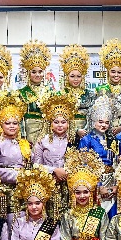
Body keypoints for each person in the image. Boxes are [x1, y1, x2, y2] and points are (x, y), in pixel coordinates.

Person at [60, 149, 110, 240]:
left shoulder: (100, 213)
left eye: (85, 192)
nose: (82, 196)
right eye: (78, 192)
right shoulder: (68, 215)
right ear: (72, 193)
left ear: (92, 192)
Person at [0, 93, 31, 220]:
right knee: (8, 223)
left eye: (15, 123)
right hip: (4, 191)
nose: (12, 126)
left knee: (23, 220)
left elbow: (29, 165)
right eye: (8, 123)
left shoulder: (23, 143)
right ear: (1, 124)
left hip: (23, 189)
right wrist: (17, 175)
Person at [35, 92, 79, 221]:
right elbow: (35, 165)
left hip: (69, 185)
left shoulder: (74, 141)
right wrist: (54, 170)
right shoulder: (42, 141)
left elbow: (78, 162)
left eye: (63, 122)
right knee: (51, 218)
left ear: (68, 123)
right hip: (49, 185)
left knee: (69, 218)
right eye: (56, 122)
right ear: (50, 123)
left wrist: (66, 173)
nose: (60, 125)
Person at [78, 95, 119, 213]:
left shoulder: (112, 139)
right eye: (100, 122)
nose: (103, 125)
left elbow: (116, 163)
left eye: (106, 122)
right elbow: (83, 166)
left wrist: (116, 185)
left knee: (112, 214)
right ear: (93, 121)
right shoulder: (87, 139)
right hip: (96, 181)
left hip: (111, 181)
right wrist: (98, 186)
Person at [18, 40, 55, 146]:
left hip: (48, 131)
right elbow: (20, 119)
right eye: (34, 72)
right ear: (28, 73)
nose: (37, 75)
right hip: (29, 132)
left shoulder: (51, 92)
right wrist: (23, 137)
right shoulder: (21, 93)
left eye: (40, 71)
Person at [57, 44, 96, 136]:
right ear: (67, 77)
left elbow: (92, 116)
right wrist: (75, 130)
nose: (75, 79)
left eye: (78, 76)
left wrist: (85, 130)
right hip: (65, 133)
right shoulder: (60, 95)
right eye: (72, 76)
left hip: (86, 134)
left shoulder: (90, 94)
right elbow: (58, 118)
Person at [97, 38, 121, 135]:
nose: (116, 75)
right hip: (104, 129)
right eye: (113, 72)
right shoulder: (101, 90)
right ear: (108, 72)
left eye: (119, 72)